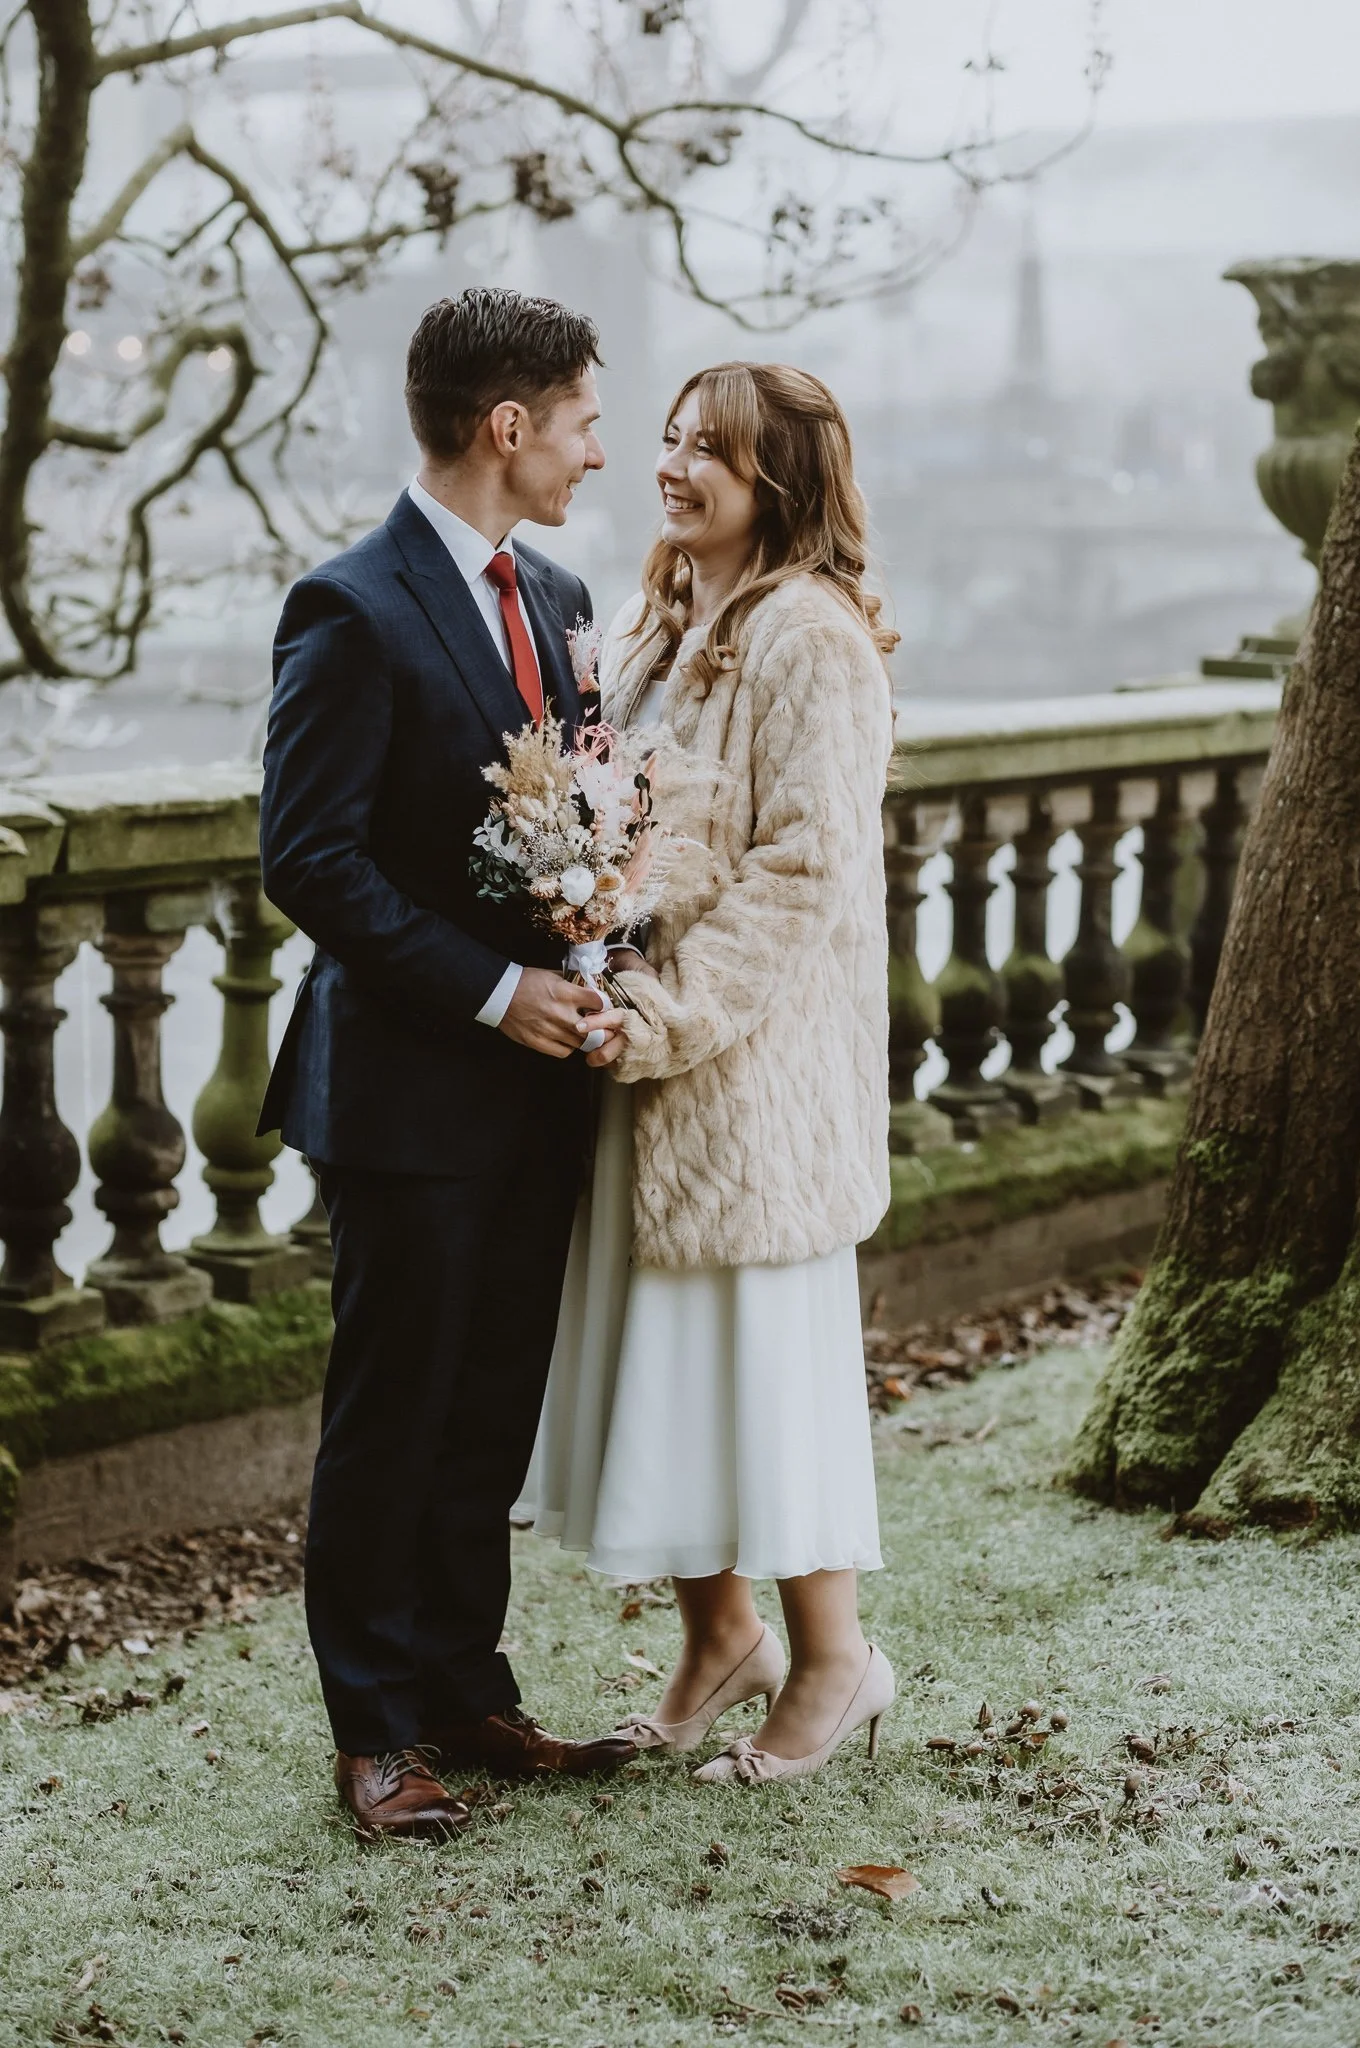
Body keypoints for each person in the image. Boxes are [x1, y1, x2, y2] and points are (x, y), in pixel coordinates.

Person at [257, 287, 637, 1842]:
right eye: (586, 423)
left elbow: (581, 830)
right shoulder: (348, 606)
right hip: (408, 1094)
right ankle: (371, 1731)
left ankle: (468, 1695)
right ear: (508, 428)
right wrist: (495, 995)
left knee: (489, 1405)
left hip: (537, 1089)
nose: (597, 454)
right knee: (392, 1409)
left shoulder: (555, 595)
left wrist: (598, 970)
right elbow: (311, 860)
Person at [521, 360, 898, 1785]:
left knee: (764, 1368)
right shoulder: (653, 621)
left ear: (780, 481)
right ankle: (718, 1637)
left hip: (750, 1078)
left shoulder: (814, 639)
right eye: (671, 442)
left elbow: (804, 874)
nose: (673, 469)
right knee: (667, 1370)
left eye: (712, 455)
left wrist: (672, 1013)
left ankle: (834, 1663)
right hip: (643, 1060)